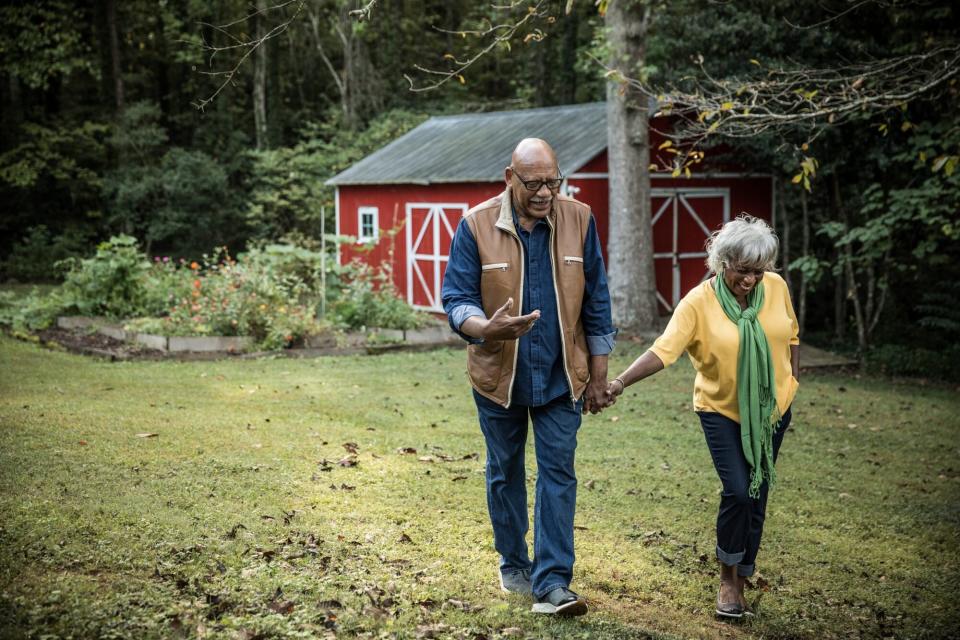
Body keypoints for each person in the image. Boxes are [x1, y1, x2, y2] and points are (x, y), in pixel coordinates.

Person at [441, 138, 616, 616]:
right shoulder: (476, 225)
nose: (545, 192)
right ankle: (513, 560)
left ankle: (554, 580)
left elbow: (598, 299)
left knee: (559, 473)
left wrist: (598, 373)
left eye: (552, 181)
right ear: (509, 177)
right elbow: (455, 298)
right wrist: (485, 327)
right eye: (534, 182)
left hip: (563, 377)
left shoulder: (579, 218)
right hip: (501, 377)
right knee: (505, 473)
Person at [606, 214, 799, 619]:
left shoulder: (777, 287)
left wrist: (791, 385)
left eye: (758, 272)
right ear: (723, 262)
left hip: (771, 412)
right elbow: (663, 351)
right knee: (738, 489)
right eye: (743, 271)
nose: (751, 280)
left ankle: (744, 574)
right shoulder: (698, 302)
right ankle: (728, 581)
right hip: (721, 411)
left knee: (757, 493)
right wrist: (620, 382)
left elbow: (791, 335)